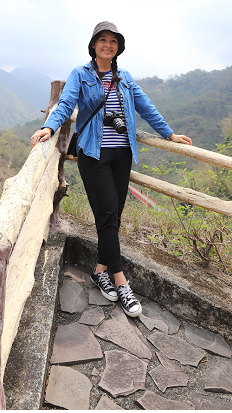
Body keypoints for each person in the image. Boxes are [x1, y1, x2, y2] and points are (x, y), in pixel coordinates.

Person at [31, 21, 192, 317]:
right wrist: (49, 126)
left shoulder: (125, 77)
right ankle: (122, 282)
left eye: (113, 41)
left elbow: (146, 107)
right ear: (93, 45)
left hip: (123, 155)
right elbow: (66, 105)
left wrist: (170, 134)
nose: (108, 45)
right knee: (106, 216)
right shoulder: (81, 74)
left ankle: (100, 270)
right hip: (94, 154)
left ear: (118, 47)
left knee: (113, 217)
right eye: (102, 40)